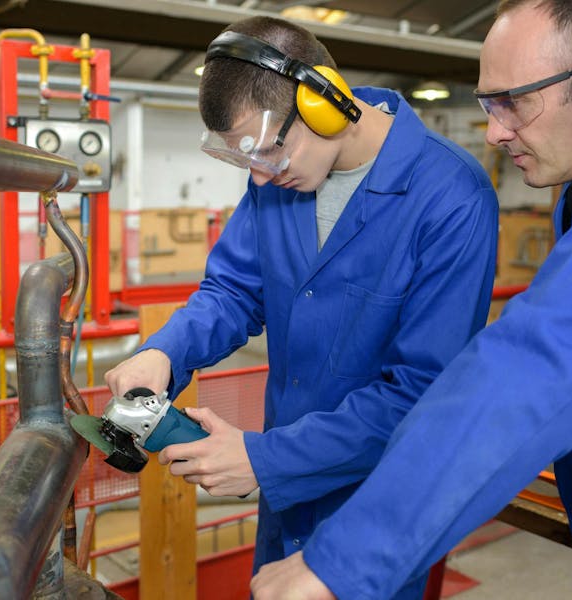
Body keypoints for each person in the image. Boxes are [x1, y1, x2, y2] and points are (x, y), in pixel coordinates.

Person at [248, 1, 572, 598]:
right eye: (489, 103)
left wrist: (344, 558)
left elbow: (534, 365)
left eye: (513, 101)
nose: (492, 130)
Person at [104, 15, 498, 598]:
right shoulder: (277, 180)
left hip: (377, 508)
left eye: (269, 153)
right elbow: (233, 291)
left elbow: (420, 394)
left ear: (325, 101)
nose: (262, 177)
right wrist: (164, 351)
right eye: (248, 163)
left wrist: (265, 461)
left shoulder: (450, 197)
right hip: (287, 502)